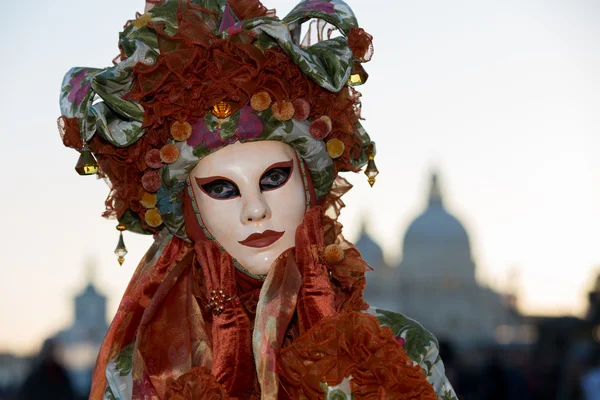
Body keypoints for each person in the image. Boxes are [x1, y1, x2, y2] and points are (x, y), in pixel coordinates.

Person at [57, 1, 458, 398]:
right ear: (190, 212)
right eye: (221, 188)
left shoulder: (398, 349)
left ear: (308, 187)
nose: (256, 210)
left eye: (275, 178)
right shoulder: (144, 375)